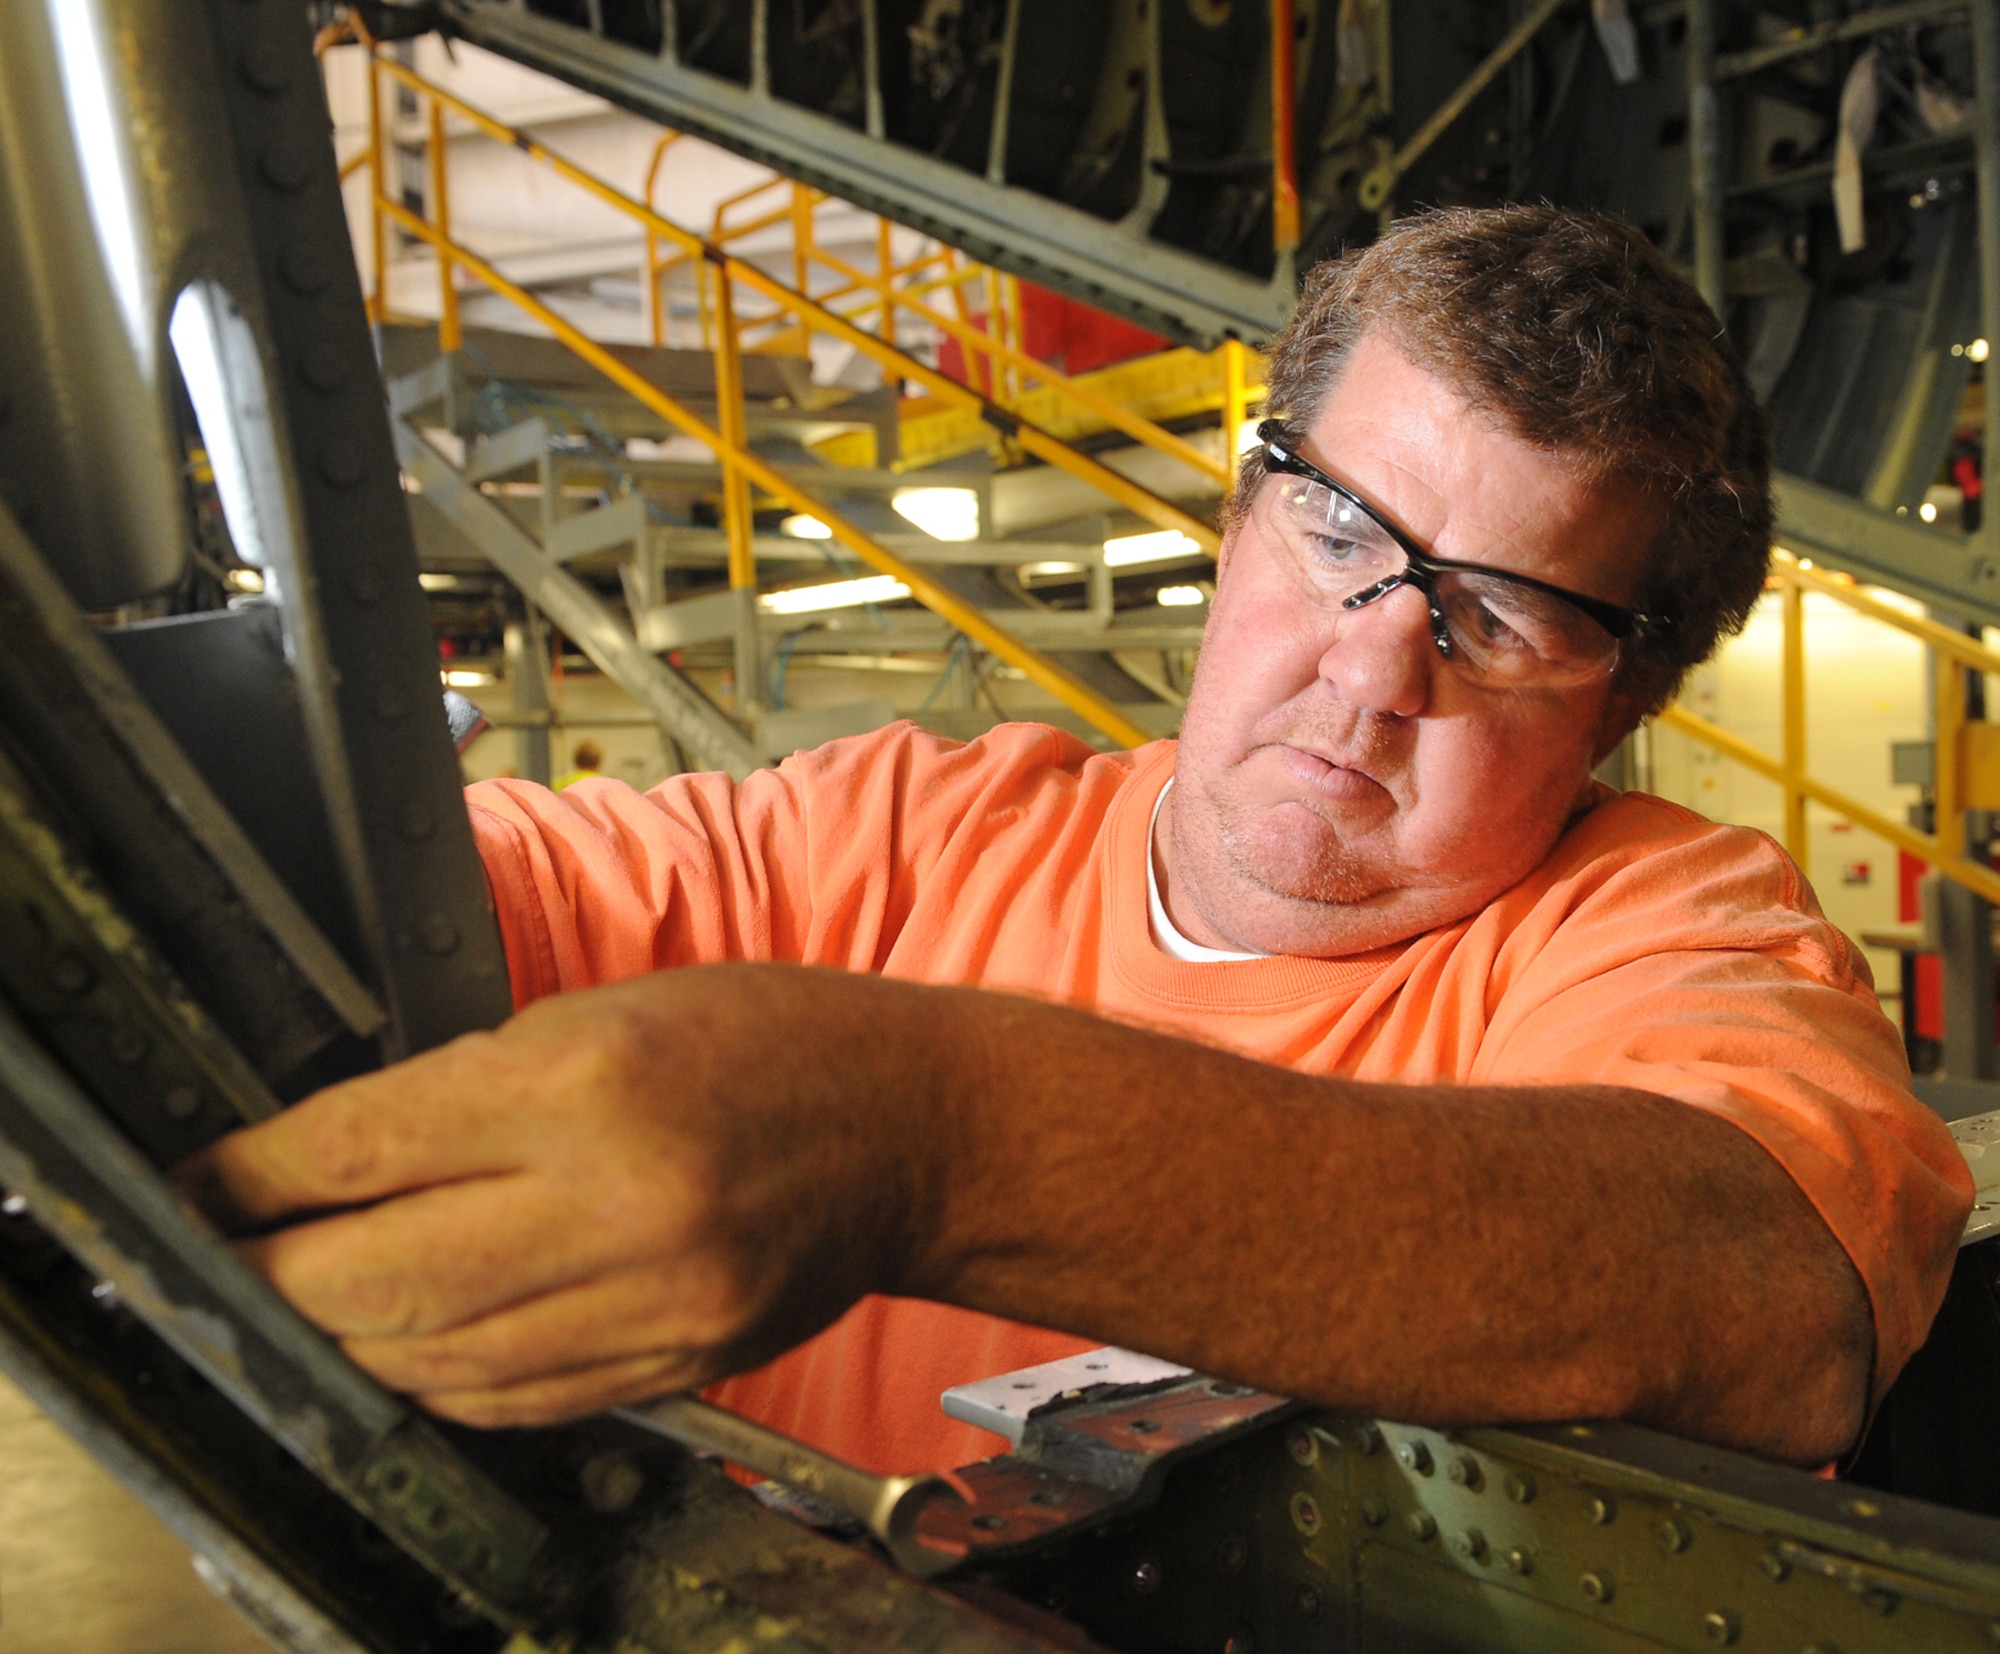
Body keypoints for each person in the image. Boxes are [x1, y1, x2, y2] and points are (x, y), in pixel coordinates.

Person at [180, 207, 1972, 1480]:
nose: (1374, 663)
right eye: (1344, 529)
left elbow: (1767, 1284)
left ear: (1623, 698)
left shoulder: (1663, 924)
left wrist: (926, 1138)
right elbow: (398, 890)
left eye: (1495, 616)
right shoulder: (901, 833)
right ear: (1240, 507)